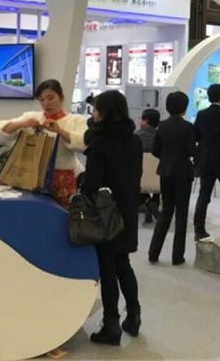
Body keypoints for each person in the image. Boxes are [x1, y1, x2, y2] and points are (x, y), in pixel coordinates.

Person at [82, 90, 143, 346]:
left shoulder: (99, 143)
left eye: (96, 109)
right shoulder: (134, 140)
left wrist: (81, 181)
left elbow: (91, 184)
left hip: (105, 213)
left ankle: (111, 324)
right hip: (128, 210)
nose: (94, 113)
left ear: (104, 112)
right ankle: (134, 315)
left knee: (107, 268)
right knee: (123, 264)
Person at [0, 79, 87, 208]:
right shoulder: (32, 117)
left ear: (61, 96)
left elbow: (84, 144)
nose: (46, 103)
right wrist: (22, 123)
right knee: (32, 214)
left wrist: (59, 131)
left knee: (63, 216)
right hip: (30, 177)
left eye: (50, 98)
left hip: (62, 179)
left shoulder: (75, 120)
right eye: (41, 100)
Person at [148, 92, 196, 265]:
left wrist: (166, 157)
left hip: (165, 172)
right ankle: (177, 256)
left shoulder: (161, 126)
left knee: (166, 212)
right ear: (184, 107)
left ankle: (153, 252)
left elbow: (155, 150)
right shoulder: (188, 127)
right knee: (181, 215)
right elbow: (191, 150)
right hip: (183, 173)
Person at [193, 84, 220, 241]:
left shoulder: (201, 114)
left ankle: (199, 229)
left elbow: (196, 135)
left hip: (205, 159)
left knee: (203, 195)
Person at [135, 108, 161, 223]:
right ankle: (154, 201)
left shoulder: (136, 137)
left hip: (139, 178)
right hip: (158, 179)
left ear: (145, 121)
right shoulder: (160, 137)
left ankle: (147, 201)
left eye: (141, 118)